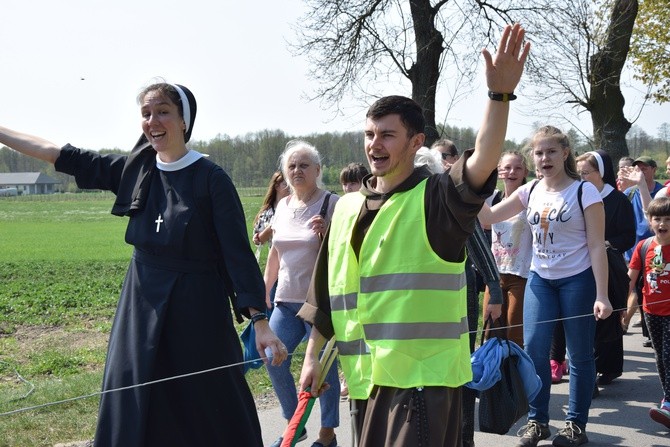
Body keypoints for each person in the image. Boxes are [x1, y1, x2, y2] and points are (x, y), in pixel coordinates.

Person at [0, 82, 287, 447]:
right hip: (140, 305)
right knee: (133, 393)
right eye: (147, 113)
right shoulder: (136, 170)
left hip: (197, 307)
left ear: (184, 121)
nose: (153, 121)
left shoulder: (211, 179)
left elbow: (237, 254)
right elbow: (58, 154)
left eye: (164, 111)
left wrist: (260, 322)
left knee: (208, 400)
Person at [297, 23, 530, 447]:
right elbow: (325, 301)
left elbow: (482, 161)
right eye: (369, 134)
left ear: (415, 141)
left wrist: (499, 97)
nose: (375, 144)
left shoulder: (438, 198)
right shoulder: (345, 208)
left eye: (387, 134)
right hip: (365, 383)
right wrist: (312, 359)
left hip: (423, 386)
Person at [479, 126, 612, 447]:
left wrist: (602, 294)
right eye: (539, 153)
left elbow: (596, 246)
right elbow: (489, 217)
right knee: (534, 349)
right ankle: (537, 421)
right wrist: (468, 184)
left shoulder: (584, 192)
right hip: (540, 280)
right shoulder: (531, 191)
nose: (544, 158)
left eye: (551, 151)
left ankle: (576, 425)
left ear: (565, 153)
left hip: (577, 280)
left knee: (579, 355)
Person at [415, 146, 504, 447]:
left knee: (458, 371)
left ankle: (463, 439)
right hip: (414, 307)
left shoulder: (448, 202)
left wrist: (494, 288)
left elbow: (478, 243)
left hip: (455, 300)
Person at [264, 140, 340, 447]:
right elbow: (274, 253)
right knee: (272, 356)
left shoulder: (331, 203)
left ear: (318, 170)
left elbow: (345, 252)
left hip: (319, 300)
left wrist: (327, 233)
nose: (297, 171)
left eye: (304, 165)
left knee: (324, 367)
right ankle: (294, 421)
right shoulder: (282, 206)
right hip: (285, 299)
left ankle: (327, 433)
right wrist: (264, 292)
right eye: (292, 166)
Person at [576, 150, 635, 388]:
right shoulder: (577, 196)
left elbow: (628, 236)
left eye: (585, 173)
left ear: (600, 173)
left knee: (607, 318)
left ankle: (608, 368)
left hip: (610, 266)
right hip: (581, 263)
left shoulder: (617, 200)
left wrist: (607, 244)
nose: (581, 178)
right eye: (578, 173)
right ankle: (587, 367)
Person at [627, 197, 670, 430]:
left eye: (667, 219)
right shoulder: (643, 247)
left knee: (668, 356)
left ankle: (669, 403)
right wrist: (622, 308)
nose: (662, 223)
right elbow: (631, 279)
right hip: (651, 312)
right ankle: (667, 397)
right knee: (660, 358)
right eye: (657, 219)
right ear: (650, 221)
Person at [483, 150, 532, 348]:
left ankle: (517, 377)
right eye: (507, 167)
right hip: (495, 274)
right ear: (499, 171)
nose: (512, 172)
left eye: (518, 168)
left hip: (521, 275)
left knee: (514, 333)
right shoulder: (493, 199)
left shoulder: (530, 198)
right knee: (490, 331)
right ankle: (496, 377)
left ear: (525, 171)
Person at [252, 171, 289, 251]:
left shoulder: (297, 208)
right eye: (286, 184)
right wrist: (271, 227)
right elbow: (258, 241)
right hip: (276, 260)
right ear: (276, 186)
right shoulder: (267, 213)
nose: (290, 188)